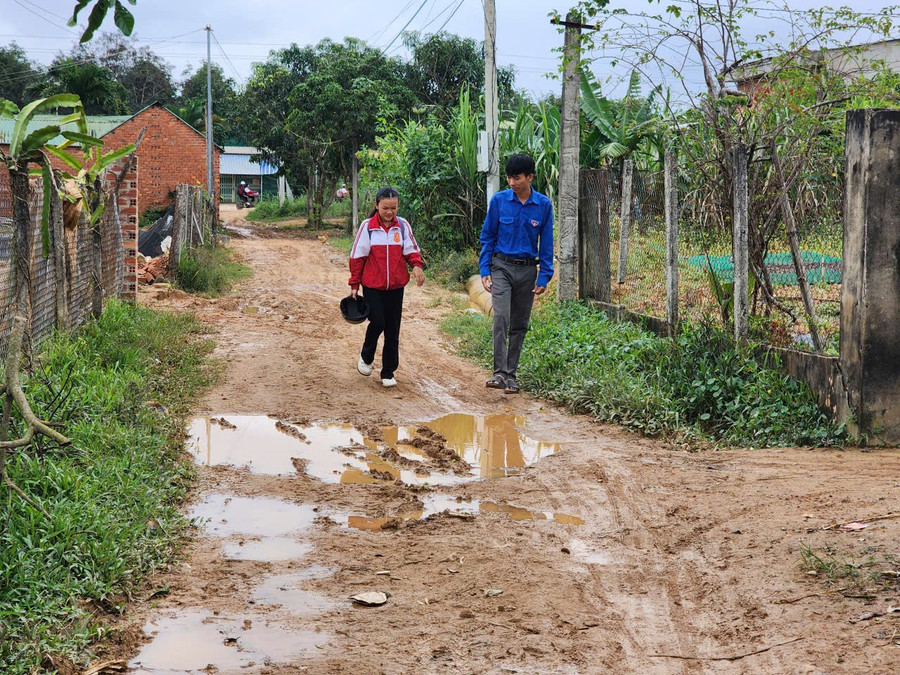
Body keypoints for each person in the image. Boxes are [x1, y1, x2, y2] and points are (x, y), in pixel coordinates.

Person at [478, 153, 554, 395]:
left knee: (520, 324)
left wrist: (544, 276)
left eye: (517, 178)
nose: (512, 182)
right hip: (501, 267)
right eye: (509, 177)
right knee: (501, 317)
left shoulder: (543, 205)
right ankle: (499, 372)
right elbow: (487, 236)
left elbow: (547, 244)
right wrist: (484, 269)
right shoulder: (499, 201)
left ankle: (511, 375)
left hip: (528, 271)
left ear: (530, 177)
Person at [349, 186, 426, 387]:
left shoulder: (402, 226)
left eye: (393, 208)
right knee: (378, 322)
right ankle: (366, 356)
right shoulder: (367, 227)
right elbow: (357, 257)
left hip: (396, 286)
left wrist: (417, 266)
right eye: (385, 208)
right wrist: (354, 284)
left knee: (393, 328)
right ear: (376, 205)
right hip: (373, 285)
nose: (389, 212)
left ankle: (388, 372)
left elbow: (411, 250)